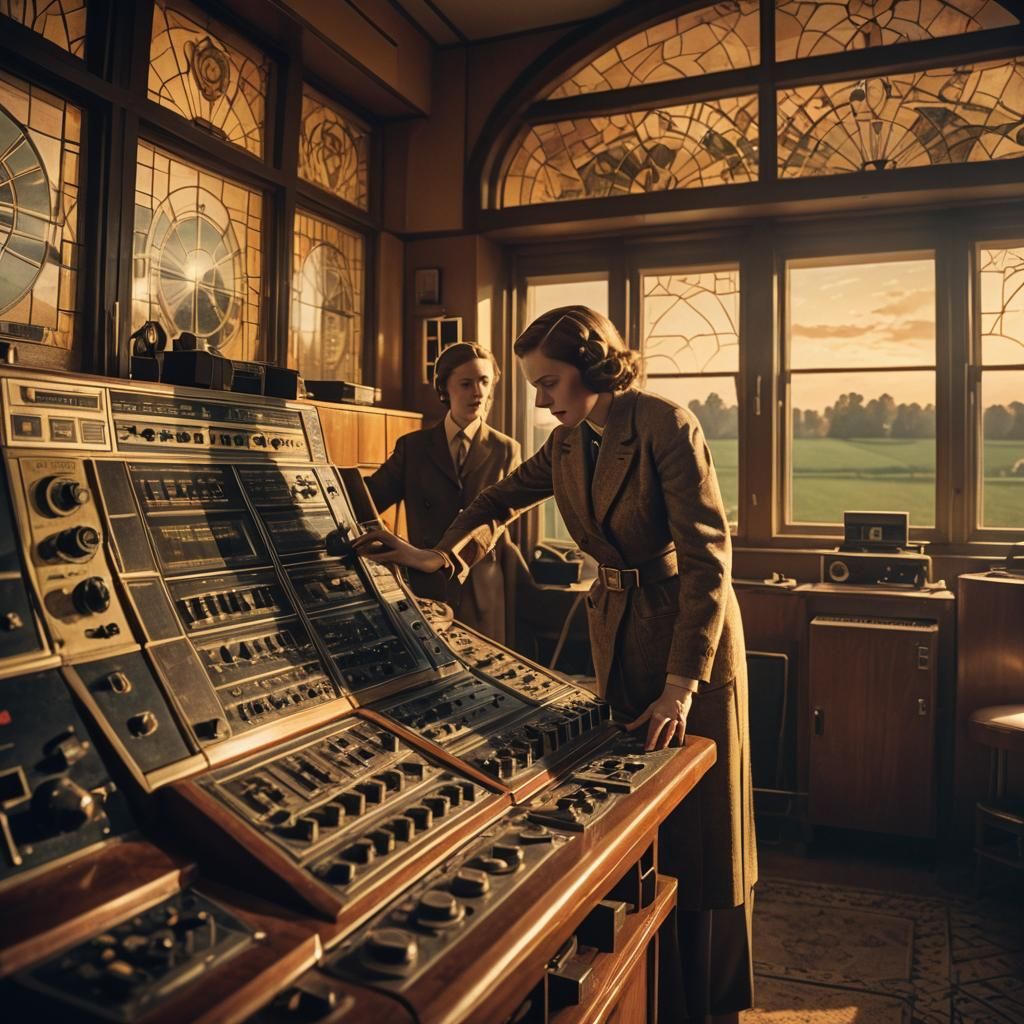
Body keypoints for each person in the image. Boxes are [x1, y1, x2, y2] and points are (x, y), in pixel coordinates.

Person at [355, 307, 756, 1023]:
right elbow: (496, 501)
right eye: (537, 385)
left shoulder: (666, 424)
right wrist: (437, 555)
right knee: (633, 814)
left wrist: (680, 687)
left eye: (550, 382)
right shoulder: (567, 443)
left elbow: (707, 565)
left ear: (593, 366)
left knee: (700, 833)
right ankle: (645, 989)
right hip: (616, 629)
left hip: (687, 644)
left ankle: (702, 1004)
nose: (539, 399)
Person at [364, 342, 521, 643]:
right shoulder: (413, 447)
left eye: (484, 381)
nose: (478, 392)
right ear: (444, 388)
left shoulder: (506, 450)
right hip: (426, 585)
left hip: (482, 586)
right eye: (466, 383)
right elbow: (369, 499)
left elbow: (503, 522)